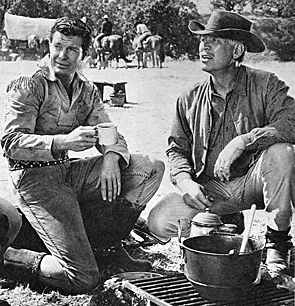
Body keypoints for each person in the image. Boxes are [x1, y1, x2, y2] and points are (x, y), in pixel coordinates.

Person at [1, 17, 165, 294]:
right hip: (35, 179)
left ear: (83, 54)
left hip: (69, 171)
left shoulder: (86, 89)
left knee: (148, 167)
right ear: (48, 45)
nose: (62, 55)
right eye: (58, 46)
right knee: (83, 279)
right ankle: (9, 257)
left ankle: (106, 247)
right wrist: (64, 141)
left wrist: (111, 157)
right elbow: (10, 142)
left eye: (72, 50)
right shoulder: (29, 84)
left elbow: (110, 132)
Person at [147, 10, 295, 277]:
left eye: (214, 40)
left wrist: (244, 141)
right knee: (159, 220)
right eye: (203, 40)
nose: (204, 46)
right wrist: (185, 182)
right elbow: (176, 149)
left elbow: (291, 123)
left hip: (256, 184)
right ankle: (225, 223)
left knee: (282, 152)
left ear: (237, 50)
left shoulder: (266, 84)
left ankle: (277, 241)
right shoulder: (189, 97)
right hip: (212, 190)